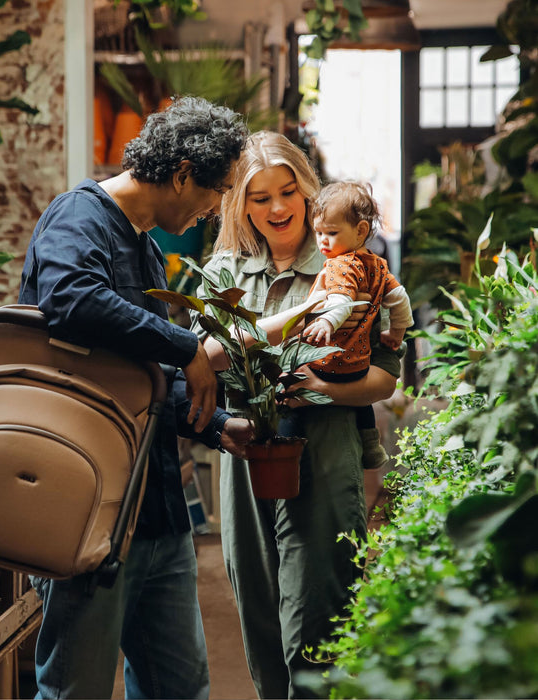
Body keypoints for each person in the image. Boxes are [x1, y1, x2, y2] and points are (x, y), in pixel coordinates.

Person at [18, 95, 253, 700]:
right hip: (87, 509)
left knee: (181, 688)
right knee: (77, 690)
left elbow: (139, 378)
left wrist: (214, 423)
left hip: (156, 515)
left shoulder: (145, 244)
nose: (214, 208)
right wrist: (188, 347)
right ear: (181, 173)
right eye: (217, 190)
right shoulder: (78, 216)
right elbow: (71, 299)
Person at [191, 131, 402, 699]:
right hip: (246, 455)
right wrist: (293, 321)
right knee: (259, 612)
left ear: (309, 193)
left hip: (327, 450)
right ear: (241, 204)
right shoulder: (224, 273)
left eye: (288, 191)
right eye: (260, 197)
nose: (278, 208)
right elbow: (198, 360)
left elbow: (386, 376)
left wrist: (322, 388)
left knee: (318, 619)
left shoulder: (352, 266)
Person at [301, 181, 414, 468]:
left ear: (361, 231)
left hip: (330, 363)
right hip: (360, 364)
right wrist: (396, 332)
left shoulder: (341, 265)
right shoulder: (377, 266)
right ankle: (371, 445)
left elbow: (340, 299)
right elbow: (400, 298)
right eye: (318, 233)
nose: (323, 241)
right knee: (360, 402)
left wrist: (327, 320)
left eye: (332, 233)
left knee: (292, 406)